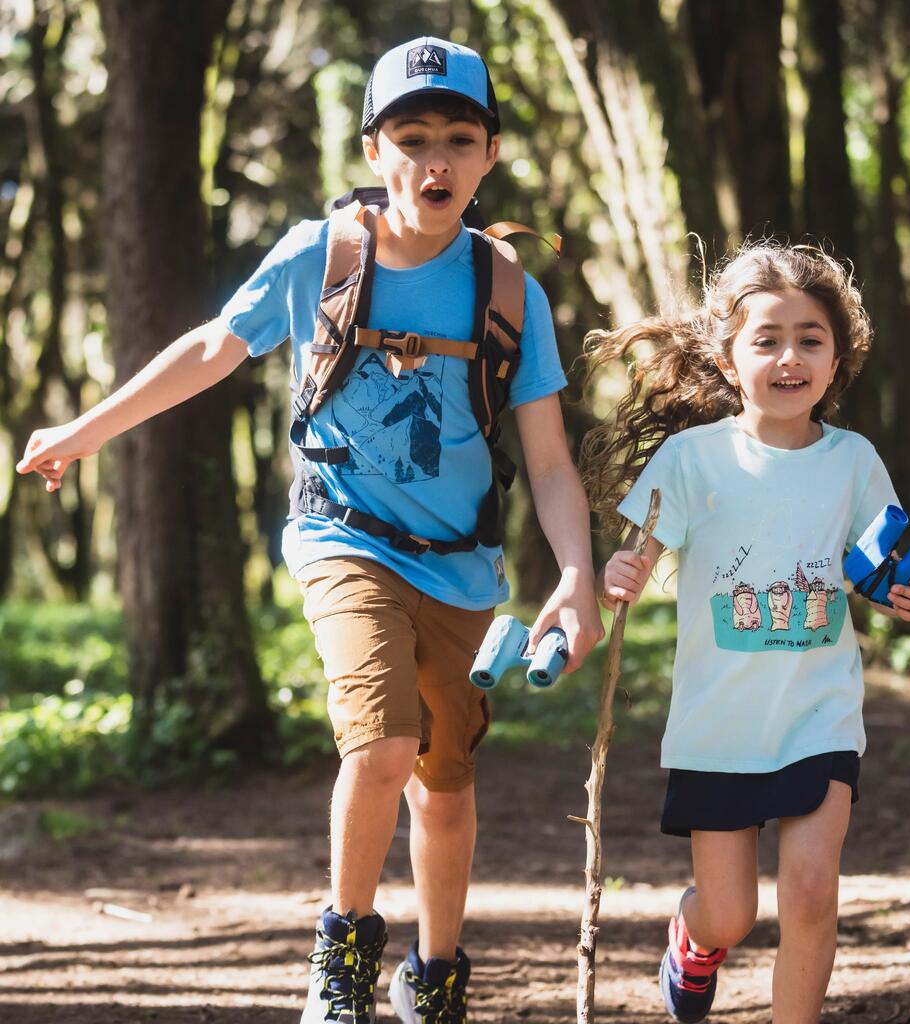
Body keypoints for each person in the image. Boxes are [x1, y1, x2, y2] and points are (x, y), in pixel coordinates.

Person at [17, 35, 603, 1024]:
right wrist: (85, 431)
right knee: (381, 744)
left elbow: (548, 462)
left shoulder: (510, 291)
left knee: (443, 787)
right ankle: (342, 957)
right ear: (373, 151)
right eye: (411, 138)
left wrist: (577, 577)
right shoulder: (320, 256)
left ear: (490, 156)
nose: (435, 161)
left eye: (459, 140)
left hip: (461, 567)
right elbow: (211, 347)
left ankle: (437, 974)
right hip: (344, 540)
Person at [581, 241, 910, 1024]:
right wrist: (620, 573)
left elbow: (881, 570)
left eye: (810, 339)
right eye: (767, 339)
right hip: (719, 724)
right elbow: (636, 554)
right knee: (731, 913)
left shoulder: (854, 461)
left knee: (809, 894)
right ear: (727, 357)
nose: (789, 358)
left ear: (837, 357)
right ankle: (695, 935)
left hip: (819, 715)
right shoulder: (691, 459)